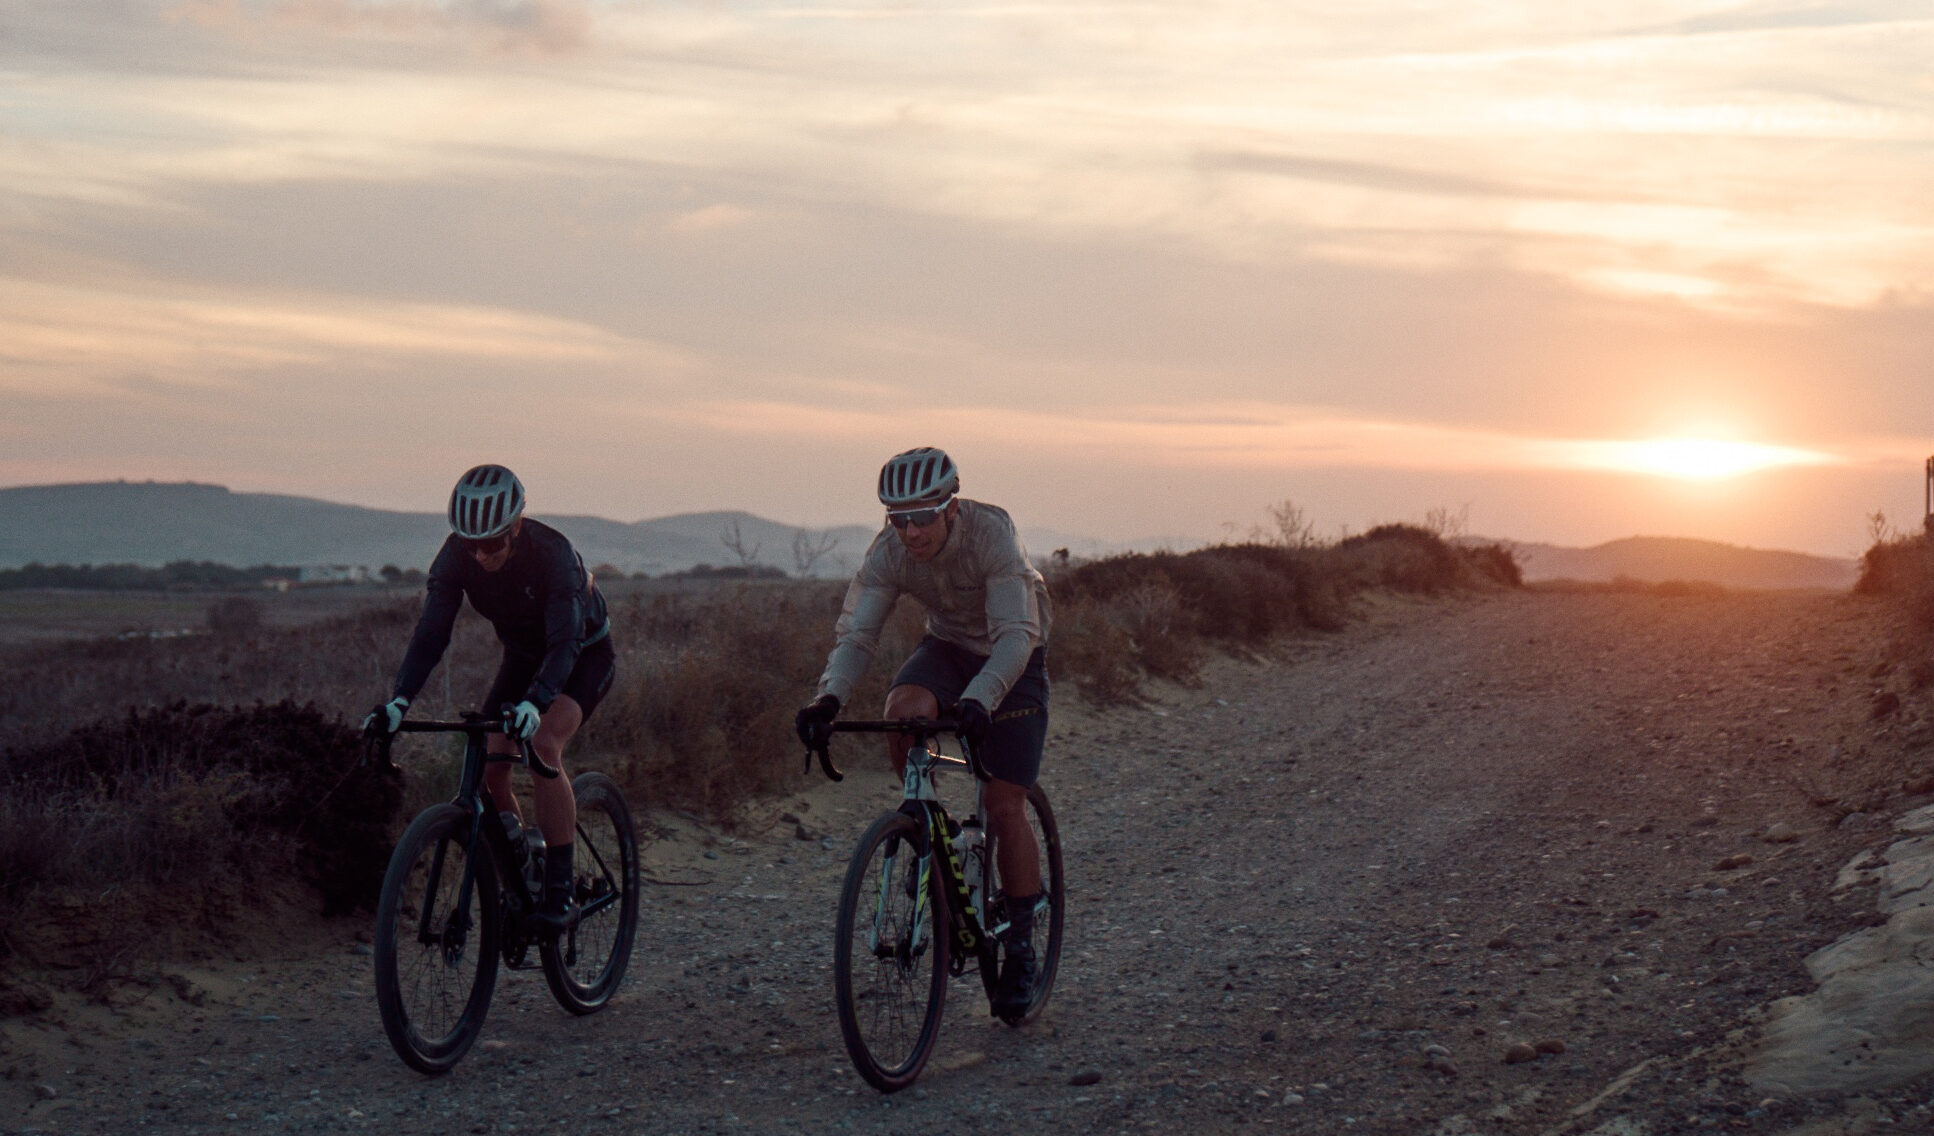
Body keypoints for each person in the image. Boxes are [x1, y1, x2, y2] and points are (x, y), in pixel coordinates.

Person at [795, 446, 1053, 1018]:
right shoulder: (889, 552)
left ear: (951, 508)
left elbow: (1015, 634)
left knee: (1003, 801)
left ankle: (1019, 946)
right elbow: (857, 634)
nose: (909, 532)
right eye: (896, 518)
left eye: (922, 517)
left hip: (1014, 652)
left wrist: (980, 701)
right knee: (903, 708)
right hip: (948, 646)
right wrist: (827, 697)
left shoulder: (992, 534)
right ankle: (925, 823)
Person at [364, 464, 614, 936]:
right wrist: (399, 701)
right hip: (522, 657)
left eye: (492, 543)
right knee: (486, 764)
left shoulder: (553, 554)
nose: (480, 555)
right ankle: (519, 860)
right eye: (470, 543)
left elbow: (565, 644)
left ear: (516, 527)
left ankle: (559, 891)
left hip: (583, 654)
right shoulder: (456, 556)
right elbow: (431, 633)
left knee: (540, 744)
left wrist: (535, 704)